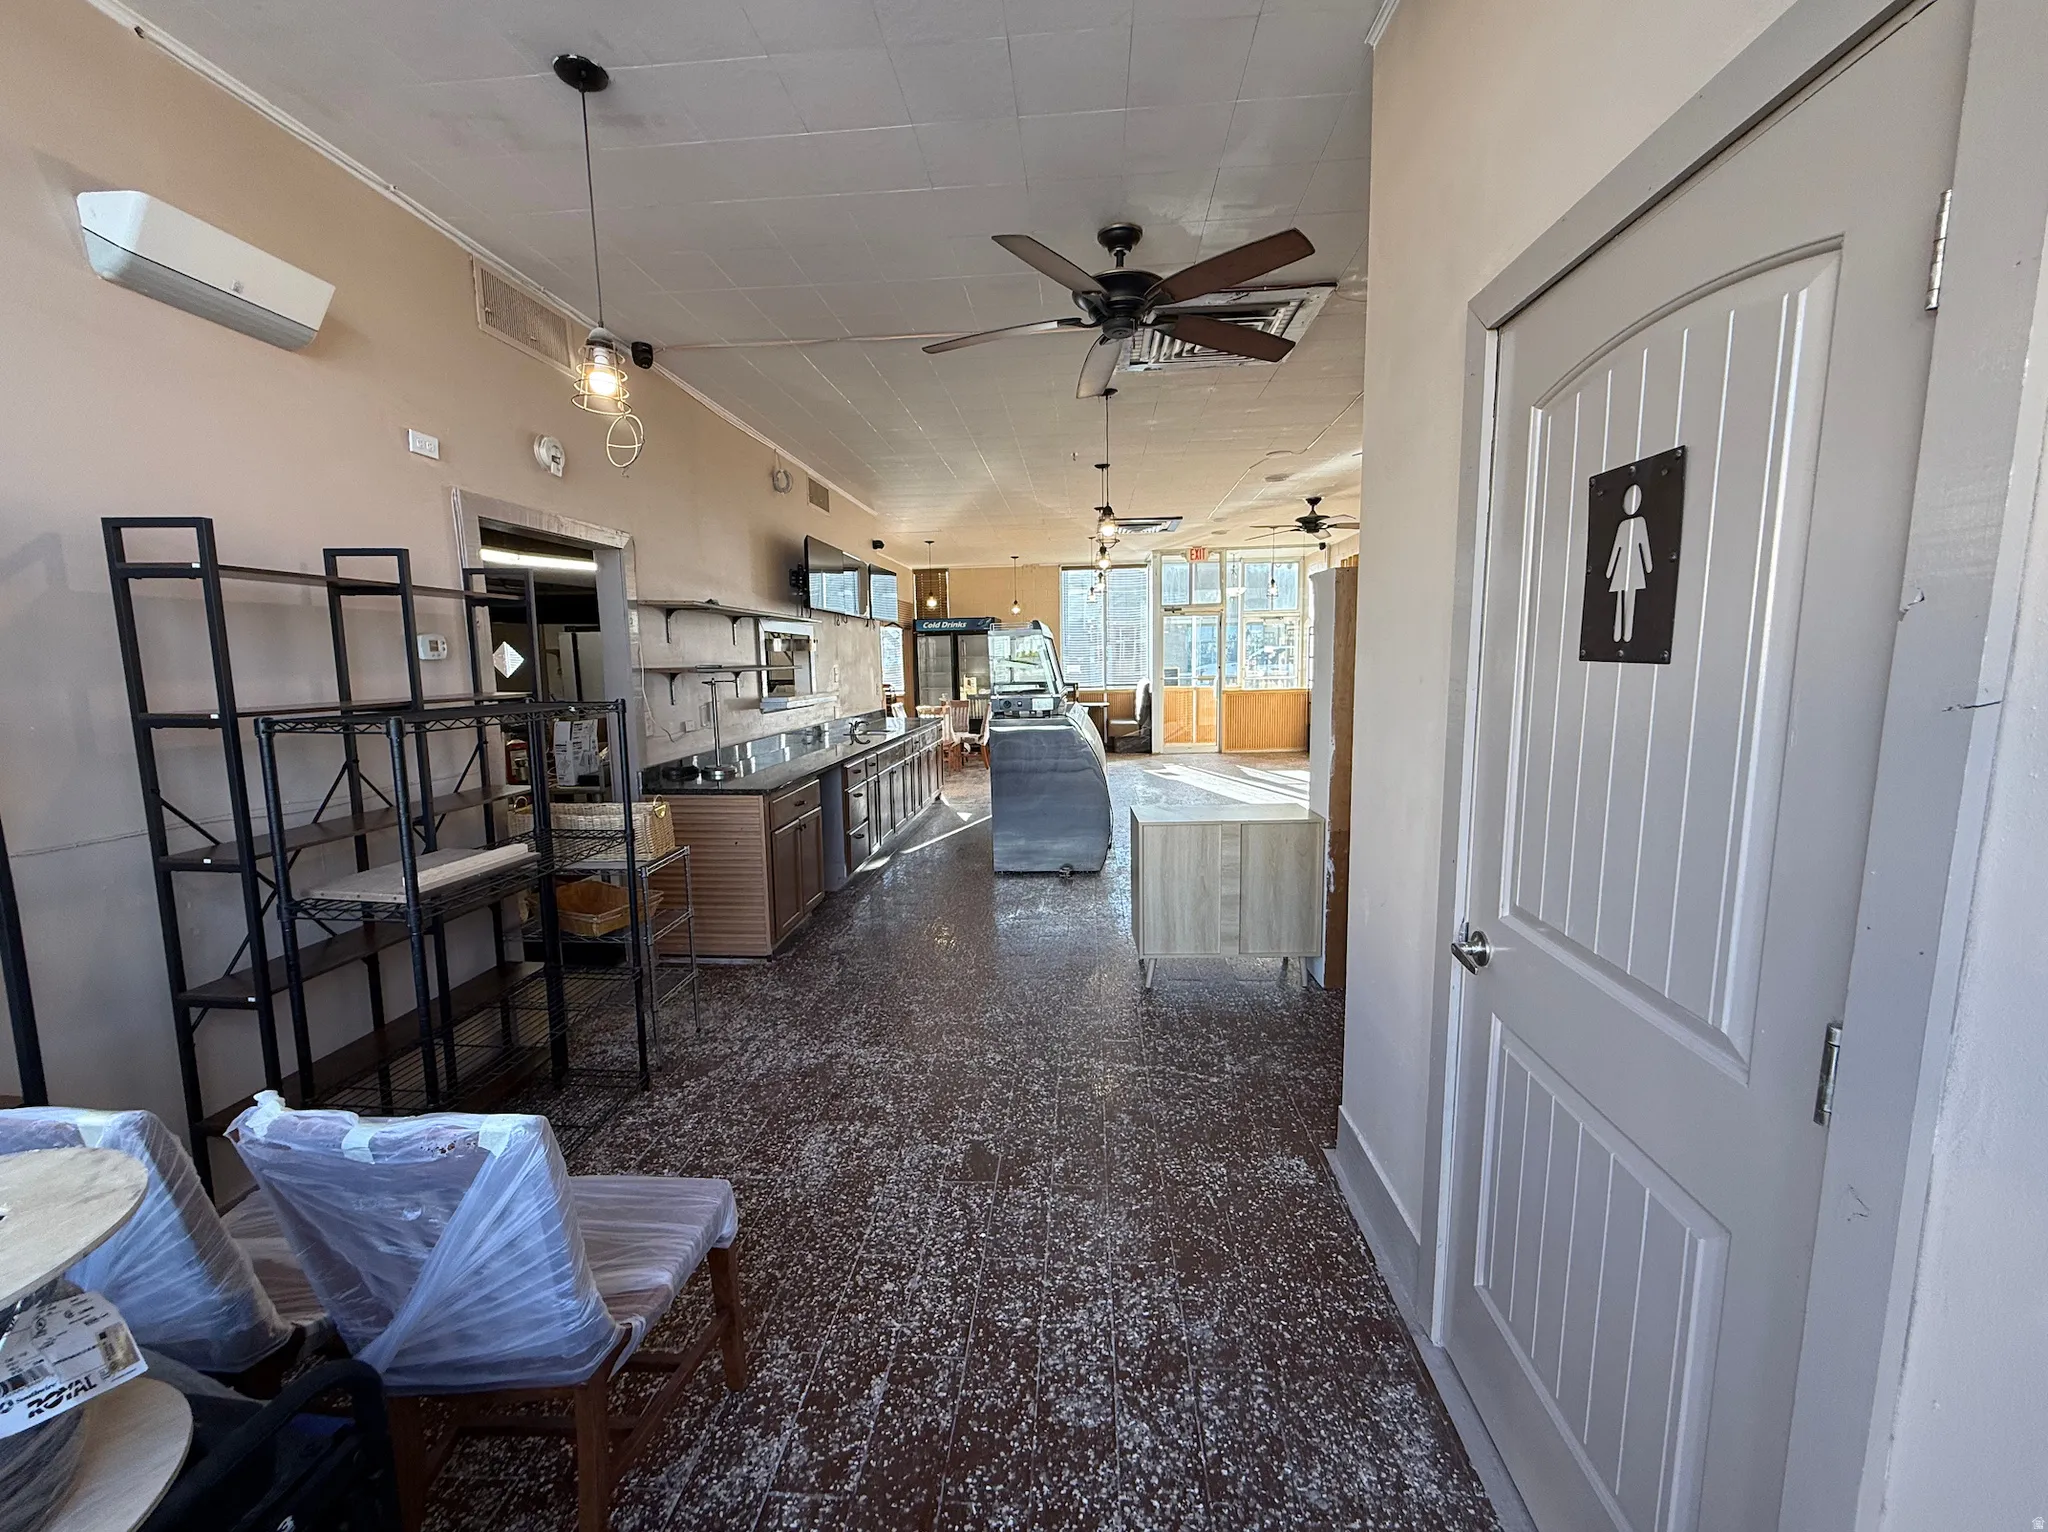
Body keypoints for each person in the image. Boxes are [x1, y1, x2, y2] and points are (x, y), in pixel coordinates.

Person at [1606, 483, 1654, 643]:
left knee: (1630, 596)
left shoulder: (1640, 523)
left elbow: (1644, 546)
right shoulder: (1623, 525)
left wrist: (1649, 567)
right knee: (1620, 596)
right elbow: (1616, 549)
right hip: (1625, 565)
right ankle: (1618, 634)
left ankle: (1626, 635)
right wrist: (1609, 571)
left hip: (1634, 565)